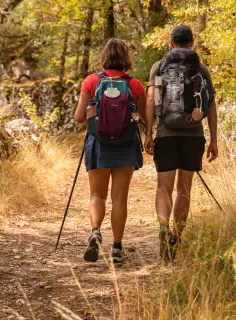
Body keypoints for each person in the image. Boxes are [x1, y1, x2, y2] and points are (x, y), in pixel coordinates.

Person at [144, 25, 219, 262]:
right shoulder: (201, 69)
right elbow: (211, 105)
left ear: (171, 42)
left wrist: (148, 132)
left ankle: (164, 231)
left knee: (163, 188)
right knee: (184, 190)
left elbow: (151, 100)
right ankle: (176, 239)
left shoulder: (159, 67)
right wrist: (213, 139)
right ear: (192, 42)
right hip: (193, 135)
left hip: (166, 134)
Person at [74, 38, 146, 264]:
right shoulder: (134, 85)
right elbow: (145, 118)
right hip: (125, 145)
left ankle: (95, 231)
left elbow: (79, 118)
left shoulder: (92, 81)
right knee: (119, 198)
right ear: (126, 58)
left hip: (98, 144)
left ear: (105, 55)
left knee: (97, 195)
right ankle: (116, 247)